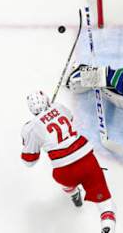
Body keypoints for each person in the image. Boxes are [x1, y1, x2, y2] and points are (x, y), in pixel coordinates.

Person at [21, 91, 116, 233]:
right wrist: (52, 111)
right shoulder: (59, 107)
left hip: (63, 171)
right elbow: (70, 118)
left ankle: (73, 193)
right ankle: (107, 228)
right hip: (86, 161)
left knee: (66, 181)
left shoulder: (31, 128)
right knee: (106, 206)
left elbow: (30, 161)